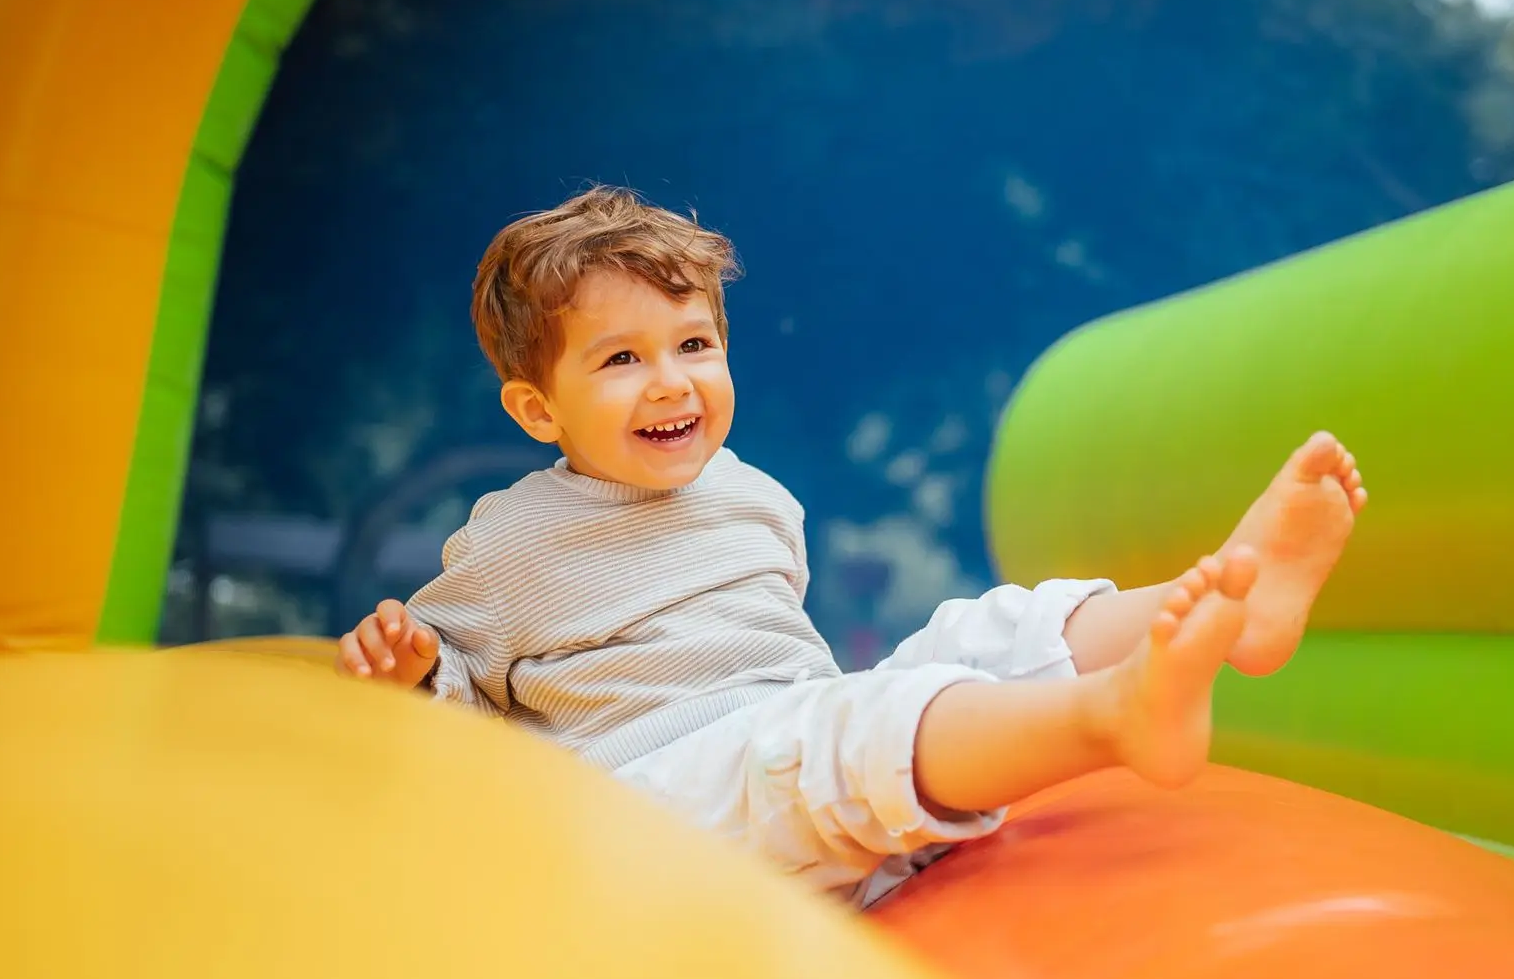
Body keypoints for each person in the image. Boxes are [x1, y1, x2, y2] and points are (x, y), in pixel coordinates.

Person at [336, 185, 1365, 902]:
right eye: (621, 359)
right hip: (663, 811)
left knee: (984, 627)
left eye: (695, 344)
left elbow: (785, 663)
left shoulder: (754, 499)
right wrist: (418, 672)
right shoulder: (514, 541)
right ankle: (1112, 717)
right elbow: (469, 704)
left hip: (788, 750)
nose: (671, 381)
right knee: (841, 729)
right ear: (536, 408)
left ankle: (1229, 602)